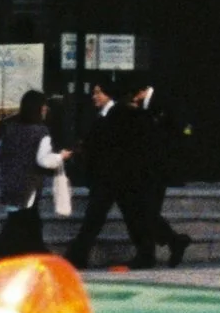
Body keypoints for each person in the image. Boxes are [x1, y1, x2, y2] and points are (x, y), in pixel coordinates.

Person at [0, 88, 68, 261]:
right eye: (44, 107)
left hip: (9, 185)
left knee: (30, 222)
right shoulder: (41, 132)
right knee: (18, 222)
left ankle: (39, 255)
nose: (45, 111)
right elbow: (43, 160)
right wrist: (61, 156)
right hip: (28, 186)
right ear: (39, 109)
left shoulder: (10, 129)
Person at [120, 77, 192, 268]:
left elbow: (179, 130)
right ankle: (171, 243)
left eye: (134, 96)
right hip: (146, 167)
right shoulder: (145, 106)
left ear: (141, 91)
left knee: (147, 211)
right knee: (146, 211)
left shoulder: (162, 102)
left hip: (159, 167)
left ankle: (156, 250)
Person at [71, 80, 127, 265]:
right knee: (95, 217)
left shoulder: (116, 114)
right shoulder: (102, 115)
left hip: (110, 176)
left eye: (98, 92)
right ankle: (78, 254)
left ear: (108, 94)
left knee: (94, 217)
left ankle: (78, 255)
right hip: (105, 176)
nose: (94, 96)